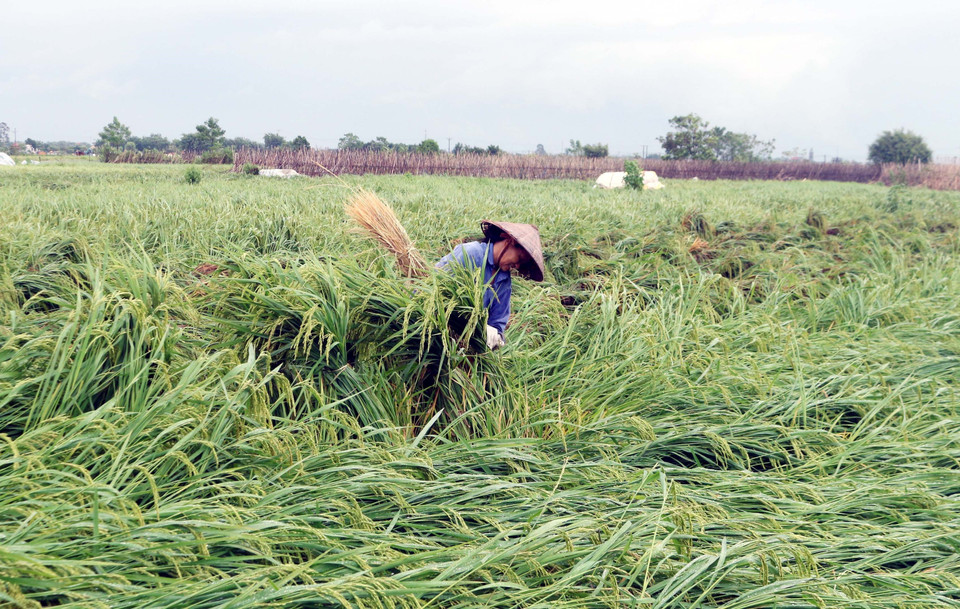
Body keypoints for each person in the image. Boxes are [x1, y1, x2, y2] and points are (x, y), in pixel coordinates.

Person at [436, 220, 545, 350]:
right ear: (509, 241)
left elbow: (498, 321)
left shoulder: (504, 281)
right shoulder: (471, 254)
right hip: (439, 333)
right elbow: (436, 289)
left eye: (521, 265)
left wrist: (495, 336)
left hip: (462, 347)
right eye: (519, 259)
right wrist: (473, 325)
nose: (517, 266)